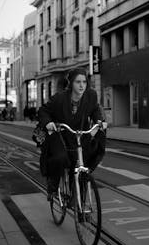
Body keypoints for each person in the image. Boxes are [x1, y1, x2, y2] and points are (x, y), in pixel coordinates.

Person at [38, 68, 105, 200]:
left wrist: (99, 121)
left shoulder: (90, 95)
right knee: (60, 158)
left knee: (82, 164)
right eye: (78, 82)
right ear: (71, 83)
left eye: (84, 82)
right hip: (61, 134)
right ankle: (53, 186)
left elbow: (95, 109)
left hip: (79, 134)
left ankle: (78, 201)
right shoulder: (59, 98)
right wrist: (48, 123)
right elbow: (43, 111)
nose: (81, 85)